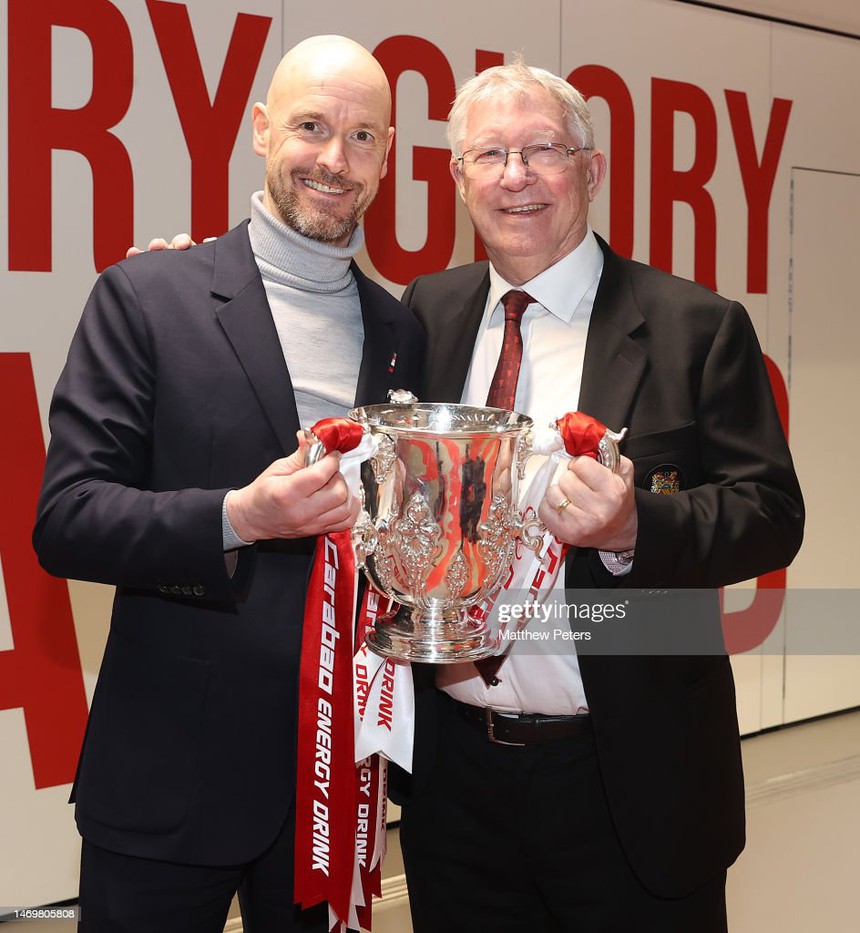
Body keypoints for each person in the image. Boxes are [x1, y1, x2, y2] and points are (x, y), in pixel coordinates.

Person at [393, 60, 805, 932]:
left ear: (592, 169)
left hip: (630, 780)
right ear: (459, 178)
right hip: (454, 784)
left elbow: (770, 512)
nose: (516, 176)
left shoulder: (695, 325)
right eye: (489, 154)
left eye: (543, 149)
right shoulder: (426, 310)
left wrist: (632, 525)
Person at [32, 35, 423, 933]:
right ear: (259, 130)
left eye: (363, 136)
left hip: (332, 787)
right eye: (312, 127)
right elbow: (67, 518)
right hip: (169, 782)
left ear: (388, 155)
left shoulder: (403, 333)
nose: (335, 159)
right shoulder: (148, 295)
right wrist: (239, 516)